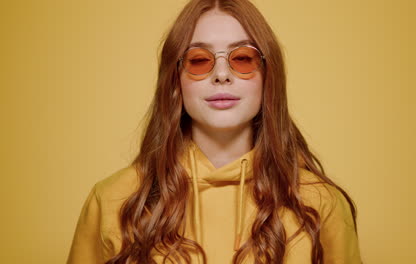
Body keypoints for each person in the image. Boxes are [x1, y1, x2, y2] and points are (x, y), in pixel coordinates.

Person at [67, 0, 362, 263]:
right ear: (174, 81)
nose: (222, 75)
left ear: (267, 78)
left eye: (243, 58)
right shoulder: (112, 199)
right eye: (199, 60)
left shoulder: (322, 203)